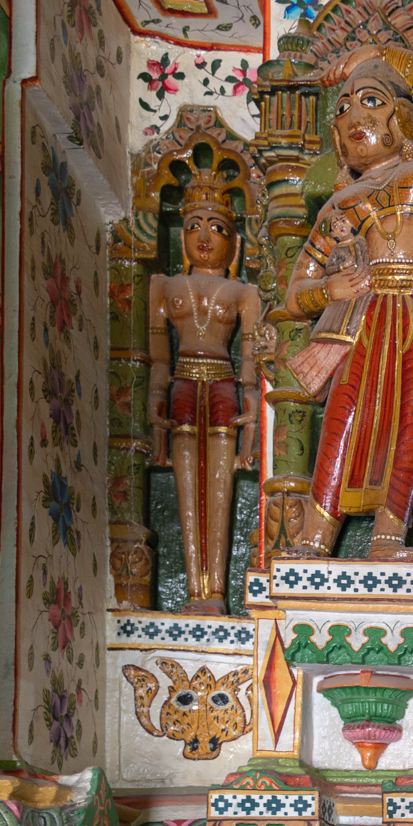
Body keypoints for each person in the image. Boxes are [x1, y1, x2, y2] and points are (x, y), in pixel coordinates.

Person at [283, 43, 413, 560]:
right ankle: (315, 539)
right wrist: (334, 289)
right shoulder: (339, 203)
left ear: (403, 118)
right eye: (341, 111)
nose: (352, 118)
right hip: (356, 318)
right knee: (342, 416)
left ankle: (389, 540)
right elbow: (294, 296)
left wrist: (381, 52)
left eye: (370, 100)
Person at [147, 170, 262, 614]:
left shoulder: (243, 292)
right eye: (194, 226)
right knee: (185, 488)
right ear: (181, 238)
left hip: (222, 383)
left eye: (218, 228)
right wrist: (156, 402)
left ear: (235, 242)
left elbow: (250, 358)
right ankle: (196, 590)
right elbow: (159, 356)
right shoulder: (163, 286)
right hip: (181, 381)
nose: (204, 237)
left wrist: (251, 410)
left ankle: (214, 591)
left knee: (220, 487)